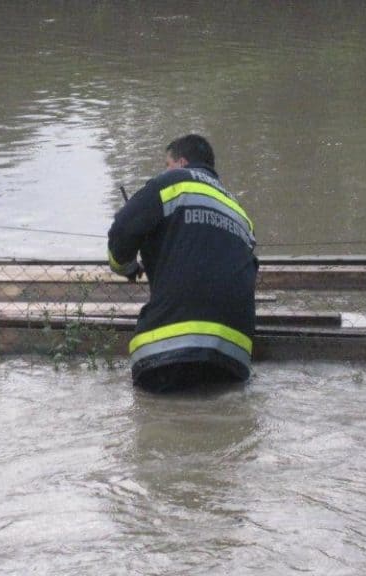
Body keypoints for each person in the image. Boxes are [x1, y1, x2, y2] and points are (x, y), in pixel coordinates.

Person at [107, 134, 257, 393]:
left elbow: (122, 230)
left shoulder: (171, 183)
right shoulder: (240, 212)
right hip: (234, 356)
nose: (164, 170)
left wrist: (127, 267)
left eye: (167, 164)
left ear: (181, 162)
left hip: (166, 351)